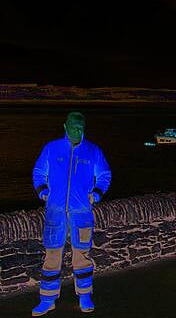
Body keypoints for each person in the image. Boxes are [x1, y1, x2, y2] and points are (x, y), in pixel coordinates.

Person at [31, 112, 111, 316]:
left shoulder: (93, 151)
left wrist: (96, 194)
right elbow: (39, 171)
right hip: (55, 213)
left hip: (81, 213)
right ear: (65, 126)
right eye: (74, 126)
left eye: (81, 127)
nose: (77, 130)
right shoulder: (51, 148)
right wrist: (43, 191)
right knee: (52, 256)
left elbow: (104, 175)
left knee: (82, 256)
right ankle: (47, 300)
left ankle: (85, 296)